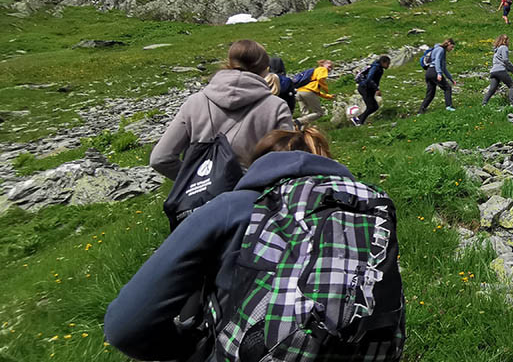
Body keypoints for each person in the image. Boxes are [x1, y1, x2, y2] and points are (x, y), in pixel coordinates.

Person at [106, 128, 352, 361]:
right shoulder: (365, 209)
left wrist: (191, 345)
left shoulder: (232, 207)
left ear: (258, 166)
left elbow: (126, 327)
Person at [150, 40, 293, 180]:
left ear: (230, 63)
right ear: (266, 69)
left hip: (201, 201)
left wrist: (194, 182)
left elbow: (160, 158)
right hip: (252, 199)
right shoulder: (276, 106)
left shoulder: (195, 102)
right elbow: (287, 163)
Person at [419, 38, 457, 113]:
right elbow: (437, 61)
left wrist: (451, 79)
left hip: (429, 72)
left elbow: (444, 68)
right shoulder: (441, 50)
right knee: (447, 88)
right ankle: (448, 106)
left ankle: (420, 111)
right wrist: (439, 73)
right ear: (448, 43)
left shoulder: (437, 49)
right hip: (434, 71)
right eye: (452, 47)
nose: (452, 49)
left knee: (430, 93)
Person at [352, 55, 390, 126]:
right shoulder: (375, 67)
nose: (388, 66)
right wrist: (376, 89)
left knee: (374, 107)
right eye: (388, 63)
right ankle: (359, 122)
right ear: (383, 62)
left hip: (369, 89)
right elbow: (369, 79)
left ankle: (358, 119)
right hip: (365, 88)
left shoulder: (378, 67)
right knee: (371, 106)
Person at [295, 59, 334, 126]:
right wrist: (326, 89)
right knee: (319, 113)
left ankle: (302, 130)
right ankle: (297, 121)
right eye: (329, 66)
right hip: (308, 92)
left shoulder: (315, 71)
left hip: (299, 92)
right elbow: (320, 79)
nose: (330, 69)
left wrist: (328, 96)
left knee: (305, 113)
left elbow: (316, 91)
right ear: (323, 64)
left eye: (331, 68)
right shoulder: (323, 69)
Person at [482, 35, 513, 105]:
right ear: (504, 41)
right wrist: (512, 69)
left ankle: (484, 103)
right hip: (501, 70)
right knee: (511, 85)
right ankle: (512, 103)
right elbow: (505, 60)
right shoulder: (504, 48)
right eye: (507, 40)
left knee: (492, 89)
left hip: (493, 71)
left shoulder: (496, 50)